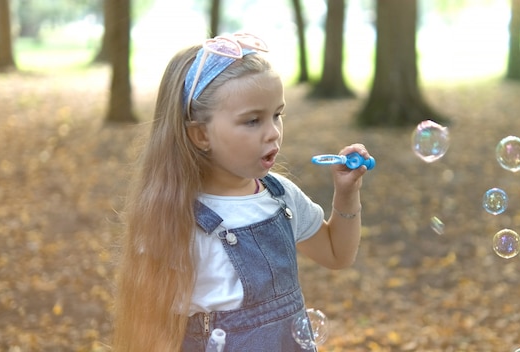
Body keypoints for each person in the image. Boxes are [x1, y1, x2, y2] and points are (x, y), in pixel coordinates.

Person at [112, 32, 372, 352]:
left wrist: (347, 194)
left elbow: (337, 254)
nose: (273, 133)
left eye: (277, 115)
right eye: (252, 121)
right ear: (201, 134)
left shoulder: (280, 198)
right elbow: (152, 326)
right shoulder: (176, 216)